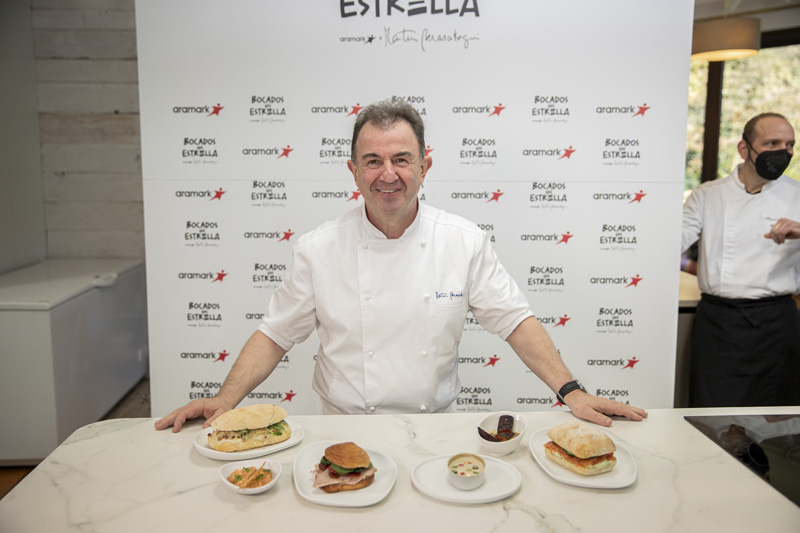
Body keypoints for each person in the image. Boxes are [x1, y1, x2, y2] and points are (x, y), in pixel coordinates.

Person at [156, 99, 647, 432]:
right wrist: (226, 401)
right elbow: (274, 334)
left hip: (434, 429)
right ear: (352, 170)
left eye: (401, 159)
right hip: (341, 426)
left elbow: (515, 320)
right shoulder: (318, 248)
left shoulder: (463, 241)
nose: (387, 174)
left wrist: (572, 392)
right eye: (371, 160)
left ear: (424, 166)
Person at [682, 112, 800, 407]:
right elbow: (672, 242)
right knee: (712, 421)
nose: (782, 152)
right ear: (744, 148)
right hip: (719, 324)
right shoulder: (708, 194)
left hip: (777, 324)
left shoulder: (798, 194)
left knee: (776, 425)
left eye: (789, 145)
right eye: (772, 142)